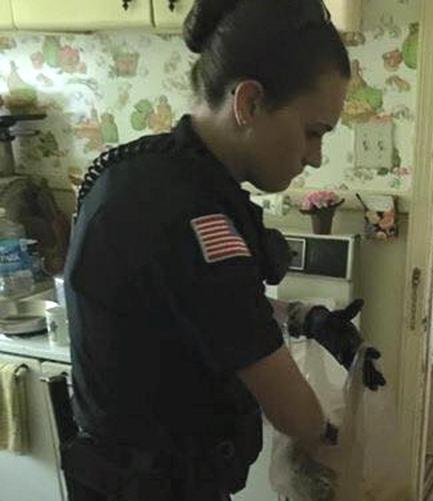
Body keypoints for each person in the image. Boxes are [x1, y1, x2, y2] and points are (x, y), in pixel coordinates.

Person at [62, 0, 383, 500]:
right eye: (313, 132)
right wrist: (329, 441)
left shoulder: (149, 172)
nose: (316, 156)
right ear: (249, 103)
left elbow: (199, 308)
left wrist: (305, 318)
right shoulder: (191, 216)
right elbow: (290, 408)